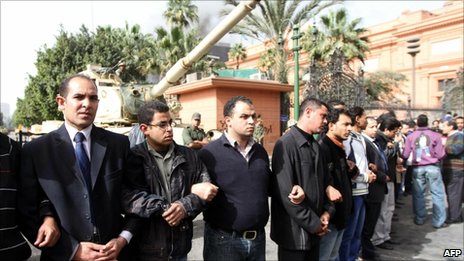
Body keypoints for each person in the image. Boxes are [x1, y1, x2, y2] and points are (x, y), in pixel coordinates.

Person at [17, 74, 142, 260]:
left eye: (93, 98)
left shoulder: (119, 145)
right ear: (61, 102)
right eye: (78, 97)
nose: (87, 104)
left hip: (116, 255)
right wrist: (72, 250)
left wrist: (123, 240)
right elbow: (26, 211)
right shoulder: (36, 151)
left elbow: (139, 198)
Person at [198, 96, 304, 261]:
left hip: (257, 241)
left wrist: (293, 188)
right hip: (223, 242)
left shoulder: (259, 151)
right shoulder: (209, 154)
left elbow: (267, 185)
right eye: (244, 116)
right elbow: (196, 192)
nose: (252, 121)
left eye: (254, 116)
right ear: (228, 121)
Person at [124, 100, 218, 260]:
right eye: (162, 125)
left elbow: (206, 191)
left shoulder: (189, 156)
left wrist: (184, 206)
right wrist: (165, 207)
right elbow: (127, 197)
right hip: (145, 250)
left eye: (170, 123)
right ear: (144, 129)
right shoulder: (132, 158)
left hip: (179, 249)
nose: (169, 129)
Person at [271, 97, 335, 261]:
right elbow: (286, 194)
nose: (326, 121)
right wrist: (315, 224)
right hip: (293, 236)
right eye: (323, 116)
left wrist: (327, 212)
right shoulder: (285, 144)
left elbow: (326, 183)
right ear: (308, 112)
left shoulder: (316, 146)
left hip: (315, 233)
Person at [318, 108, 356, 261]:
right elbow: (321, 182)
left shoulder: (339, 147)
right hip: (330, 217)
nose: (349, 128)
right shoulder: (322, 148)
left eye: (350, 125)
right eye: (345, 124)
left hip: (342, 213)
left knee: (334, 255)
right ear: (331, 125)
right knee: (325, 256)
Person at [339, 106, 376, 261]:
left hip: (362, 191)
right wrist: (364, 177)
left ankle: (353, 257)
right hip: (354, 193)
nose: (366, 120)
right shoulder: (348, 140)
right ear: (357, 118)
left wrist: (370, 168)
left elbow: (360, 163)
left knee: (357, 233)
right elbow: (347, 167)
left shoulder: (359, 137)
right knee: (348, 234)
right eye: (364, 117)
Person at [402, 114, 447, 228]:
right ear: (428, 122)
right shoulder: (436, 135)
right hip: (433, 166)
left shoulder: (411, 136)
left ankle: (420, 218)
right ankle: (439, 221)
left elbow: (405, 154)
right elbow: (440, 154)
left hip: (417, 167)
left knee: (418, 194)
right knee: (437, 194)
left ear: (417, 123)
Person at [371, 116, 402, 250]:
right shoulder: (379, 140)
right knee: (383, 211)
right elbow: (382, 157)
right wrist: (395, 145)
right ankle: (378, 238)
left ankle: (385, 235)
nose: (395, 134)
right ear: (386, 129)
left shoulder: (388, 140)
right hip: (383, 180)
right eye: (394, 131)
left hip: (391, 178)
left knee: (389, 209)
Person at [360, 117, 388, 260]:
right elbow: (370, 166)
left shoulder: (374, 142)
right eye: (371, 126)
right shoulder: (364, 143)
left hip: (378, 189)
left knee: (372, 223)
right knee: (367, 225)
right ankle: (366, 252)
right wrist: (382, 176)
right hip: (372, 188)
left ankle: (367, 250)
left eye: (376, 126)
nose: (375, 129)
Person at [441, 119, 464, 224]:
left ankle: (454, 217)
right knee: (451, 193)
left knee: (454, 194)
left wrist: (443, 146)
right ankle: (455, 215)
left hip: (456, 169)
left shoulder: (458, 136)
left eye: (444, 125)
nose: (442, 128)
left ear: (451, 126)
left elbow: (457, 149)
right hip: (449, 168)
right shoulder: (449, 137)